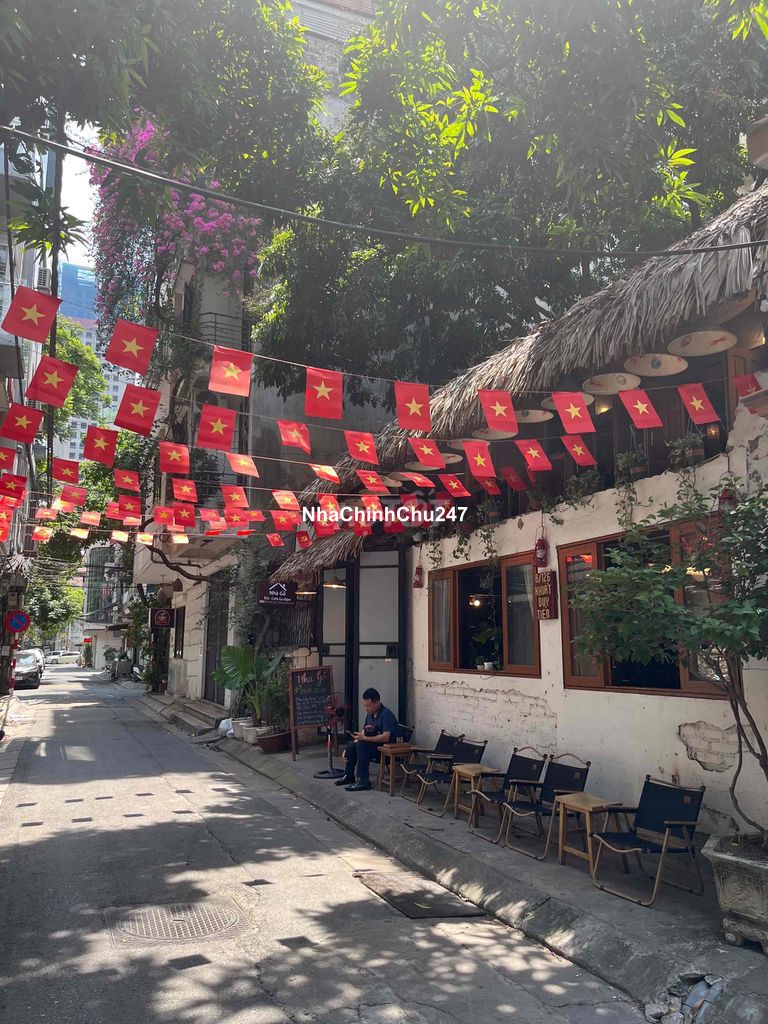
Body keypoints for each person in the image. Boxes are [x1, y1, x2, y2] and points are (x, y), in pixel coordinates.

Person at [335, 687, 398, 792]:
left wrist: (365, 738)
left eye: (369, 706)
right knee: (352, 746)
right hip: (372, 746)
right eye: (365, 706)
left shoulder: (386, 714)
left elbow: (386, 736)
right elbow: (363, 733)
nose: (367, 709)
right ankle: (349, 775)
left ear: (377, 703)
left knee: (362, 745)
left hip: (385, 750)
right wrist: (349, 748)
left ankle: (363, 780)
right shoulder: (369, 715)